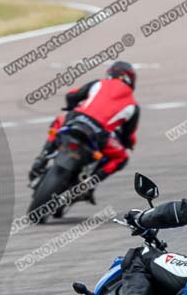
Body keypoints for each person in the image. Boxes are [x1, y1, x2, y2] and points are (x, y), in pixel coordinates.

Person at [29, 62, 140, 202]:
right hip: (99, 133)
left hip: (76, 120)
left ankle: (42, 157)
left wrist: (71, 108)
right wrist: (127, 144)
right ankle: (90, 183)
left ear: (110, 73)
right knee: (122, 157)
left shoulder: (98, 83)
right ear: (131, 79)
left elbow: (72, 95)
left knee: (59, 121)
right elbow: (128, 136)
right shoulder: (133, 105)